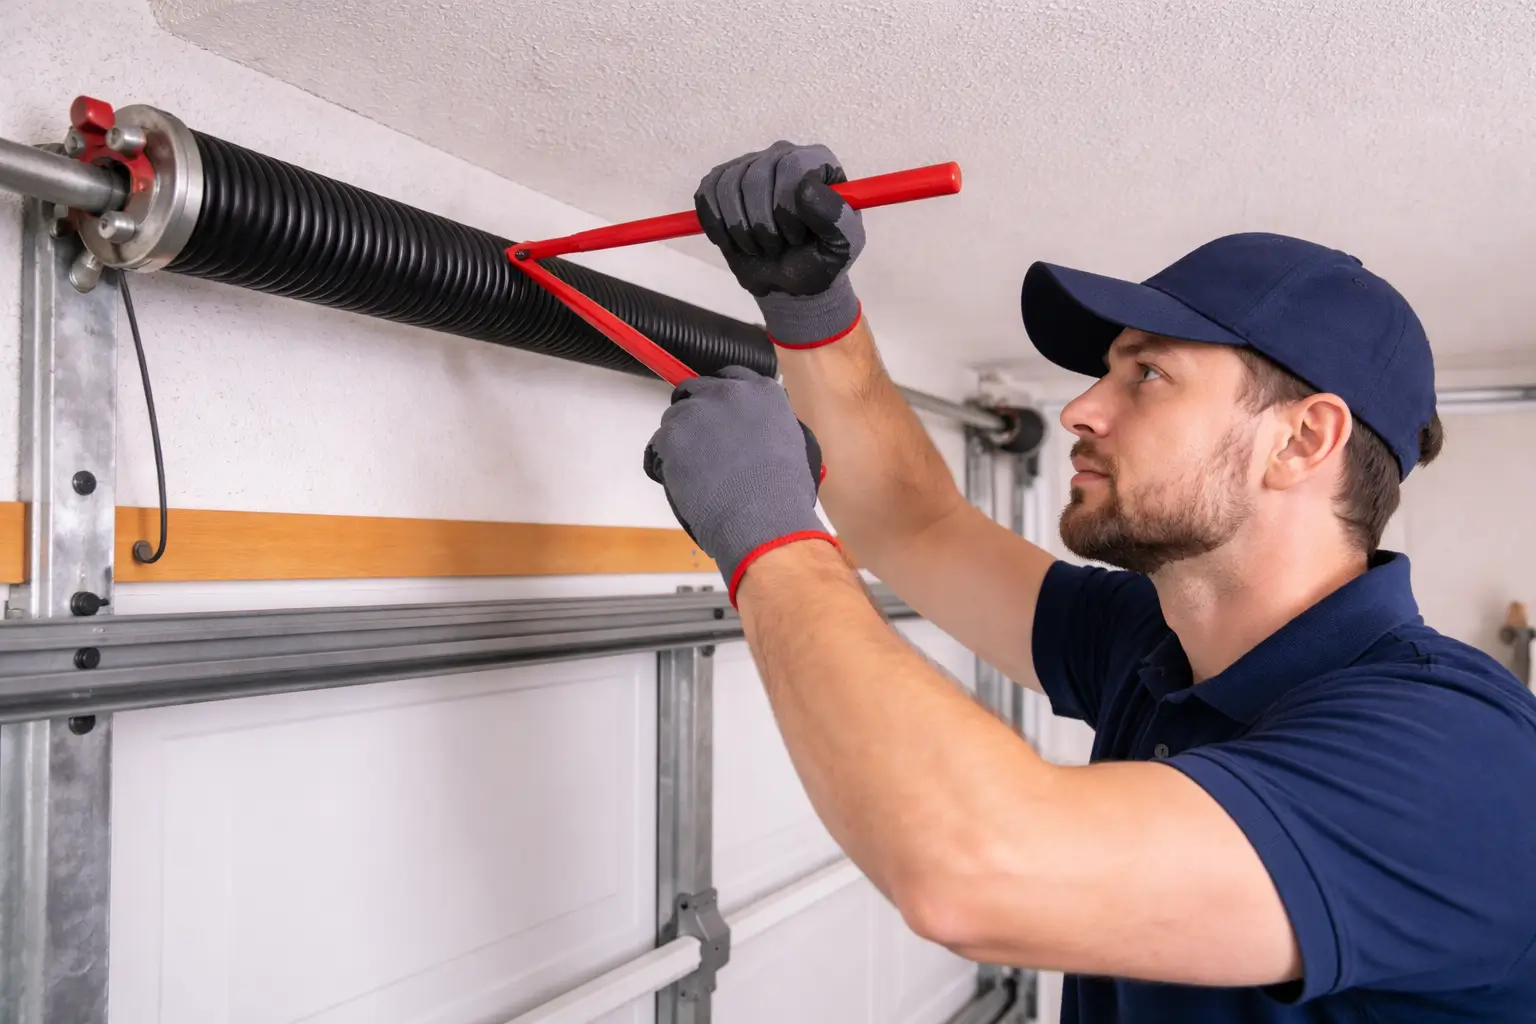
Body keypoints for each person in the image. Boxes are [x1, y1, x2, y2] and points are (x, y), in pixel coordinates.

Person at [641, 141, 1536, 1021]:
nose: (1080, 407)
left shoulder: (1457, 751)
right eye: (1107, 369)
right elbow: (917, 527)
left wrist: (769, 536)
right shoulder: (1157, 643)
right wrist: (812, 310)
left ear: (1303, 440)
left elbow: (976, 872)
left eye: (1147, 374)